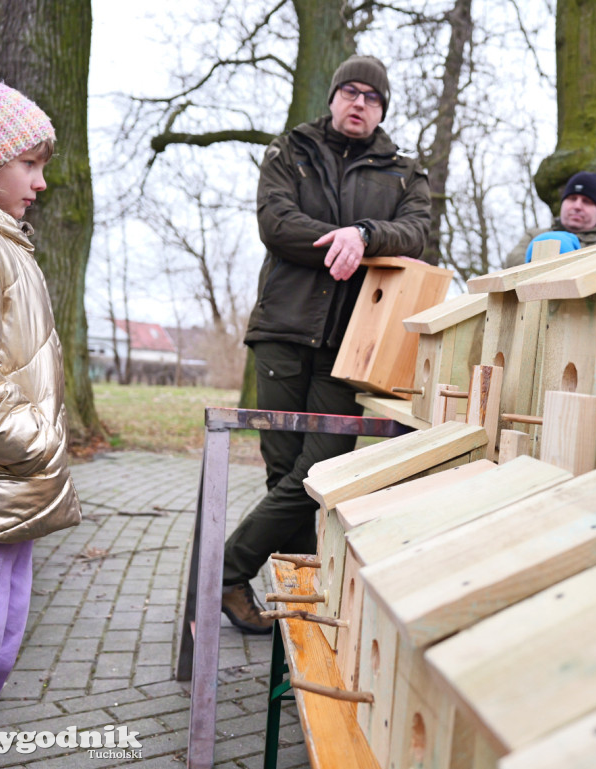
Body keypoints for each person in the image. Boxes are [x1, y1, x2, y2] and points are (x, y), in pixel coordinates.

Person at [221, 55, 432, 633]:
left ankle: (227, 571)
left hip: (353, 343)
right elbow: (275, 221)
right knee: (283, 469)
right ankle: (301, 610)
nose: (359, 101)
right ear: (334, 97)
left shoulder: (404, 174)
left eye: (371, 95)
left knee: (321, 470)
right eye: (350, 91)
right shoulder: (289, 151)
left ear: (382, 108)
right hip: (284, 332)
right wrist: (336, 238)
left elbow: (417, 232)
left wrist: (365, 235)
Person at [0, 75, 82, 767]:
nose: (41, 181)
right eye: (29, 163)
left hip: (8, 490)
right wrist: (35, 444)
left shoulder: (5, 239)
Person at [504, 171, 596, 268]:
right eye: (572, 198)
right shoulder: (533, 235)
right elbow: (511, 262)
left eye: (586, 201)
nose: (577, 206)